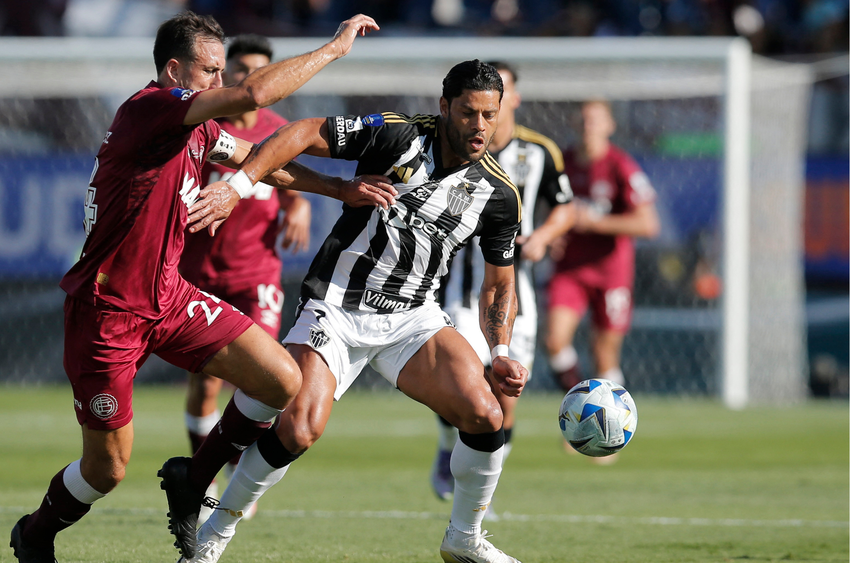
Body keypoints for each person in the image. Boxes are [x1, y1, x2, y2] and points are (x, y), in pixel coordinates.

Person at [8, 11, 391, 563]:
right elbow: (255, 94)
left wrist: (338, 188)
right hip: (107, 313)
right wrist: (333, 50)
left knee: (281, 379)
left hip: (169, 298)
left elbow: (261, 162)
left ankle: (194, 478)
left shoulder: (195, 127)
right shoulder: (151, 110)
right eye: (210, 71)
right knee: (107, 468)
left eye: (220, 71)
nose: (219, 83)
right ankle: (37, 531)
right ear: (173, 69)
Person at [185, 59, 528, 563]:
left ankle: (465, 538)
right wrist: (238, 188)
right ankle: (214, 534)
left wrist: (499, 349)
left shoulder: (499, 195)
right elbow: (301, 132)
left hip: (414, 319)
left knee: (484, 413)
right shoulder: (398, 137)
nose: (479, 126)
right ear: (444, 107)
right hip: (337, 306)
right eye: (468, 112)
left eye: (489, 115)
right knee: (300, 427)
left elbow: (500, 286)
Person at [177, 33, 311, 521]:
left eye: (260, 69)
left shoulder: (279, 129)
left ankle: (236, 468)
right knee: (205, 387)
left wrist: (298, 208)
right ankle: (203, 473)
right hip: (199, 275)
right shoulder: (200, 124)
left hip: (257, 275)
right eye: (241, 69)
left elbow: (289, 177)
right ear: (227, 73)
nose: (250, 77)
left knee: (263, 374)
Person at [432, 61, 575, 506]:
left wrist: (543, 238)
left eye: (500, 95)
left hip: (517, 294)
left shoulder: (540, 152)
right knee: (465, 386)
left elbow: (566, 207)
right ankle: (446, 445)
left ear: (510, 98)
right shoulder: (457, 148)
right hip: (458, 286)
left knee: (505, 399)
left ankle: (481, 496)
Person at [545, 100, 660, 393]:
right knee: (554, 341)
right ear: (574, 123)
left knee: (604, 355)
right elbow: (546, 210)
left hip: (611, 273)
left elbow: (648, 224)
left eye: (596, 120)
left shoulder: (620, 166)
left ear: (610, 126)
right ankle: (578, 413)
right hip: (570, 269)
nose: (588, 126)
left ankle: (611, 426)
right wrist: (551, 235)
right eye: (583, 119)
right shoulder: (562, 164)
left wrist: (596, 222)